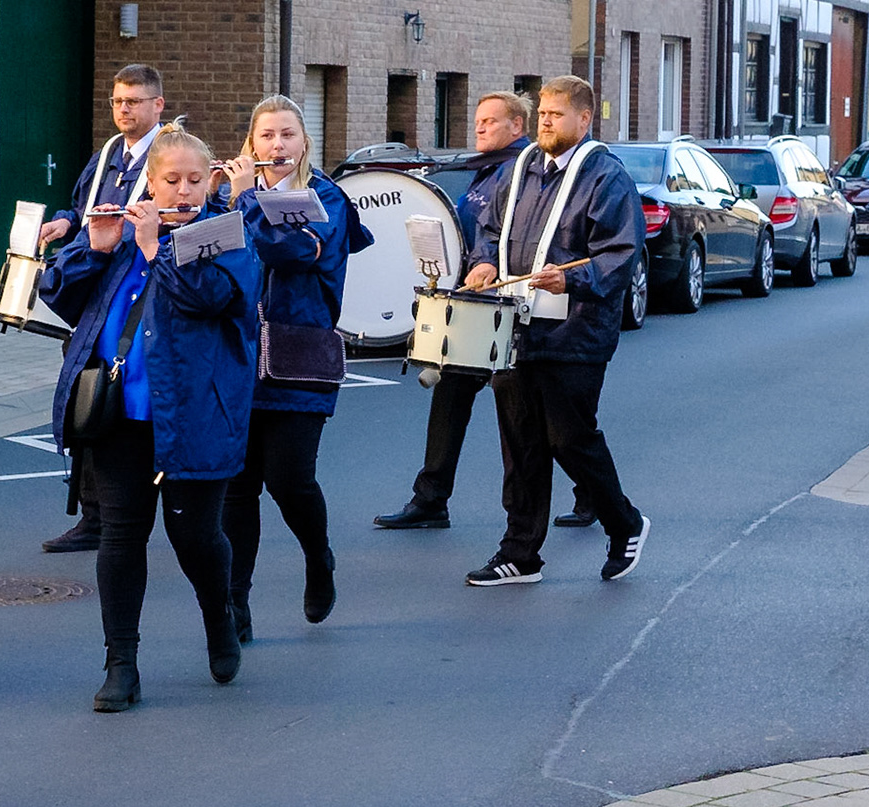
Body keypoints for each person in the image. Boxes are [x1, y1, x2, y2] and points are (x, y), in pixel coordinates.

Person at [42, 127, 258, 712]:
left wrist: (153, 251)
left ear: (212, 181)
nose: (183, 192)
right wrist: (97, 246)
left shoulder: (226, 237)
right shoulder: (129, 232)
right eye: (171, 181)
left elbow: (208, 299)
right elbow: (60, 296)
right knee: (120, 534)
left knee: (196, 538)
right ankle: (121, 663)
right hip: (120, 417)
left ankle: (220, 618)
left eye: (195, 180)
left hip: (193, 415)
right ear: (151, 181)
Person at [459, 75, 649, 587]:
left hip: (576, 333)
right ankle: (520, 553)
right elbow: (490, 230)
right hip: (516, 328)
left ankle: (625, 522)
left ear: (584, 120)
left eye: (556, 114)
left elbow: (620, 254)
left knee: (569, 439)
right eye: (542, 112)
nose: (545, 120)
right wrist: (481, 264)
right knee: (519, 442)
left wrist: (572, 278)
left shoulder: (605, 176)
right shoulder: (521, 169)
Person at [217, 96, 366, 642]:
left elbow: (295, 252)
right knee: (238, 487)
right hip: (238, 358)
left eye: (286, 136)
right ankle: (236, 605)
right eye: (265, 137)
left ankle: (318, 557)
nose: (275, 146)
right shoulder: (235, 196)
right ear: (250, 144)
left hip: (300, 355)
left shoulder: (324, 197)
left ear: (304, 142)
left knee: (289, 478)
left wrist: (246, 201)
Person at [374, 92, 534, 530]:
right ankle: (430, 500)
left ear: (516, 126)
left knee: (527, 414)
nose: (478, 128)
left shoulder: (521, 170)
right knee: (451, 394)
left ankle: (583, 497)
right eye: (478, 121)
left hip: (509, 304)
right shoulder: (485, 170)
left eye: (489, 121)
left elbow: (505, 232)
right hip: (477, 302)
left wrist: (487, 262)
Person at [38, 63, 167, 555]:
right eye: (117, 101)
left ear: (158, 104)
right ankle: (93, 517)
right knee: (90, 406)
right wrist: (65, 224)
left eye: (133, 101)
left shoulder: (168, 155)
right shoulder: (108, 155)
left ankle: (126, 515)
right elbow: (81, 205)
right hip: (96, 286)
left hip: (136, 296)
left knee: (125, 411)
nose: (123, 109)